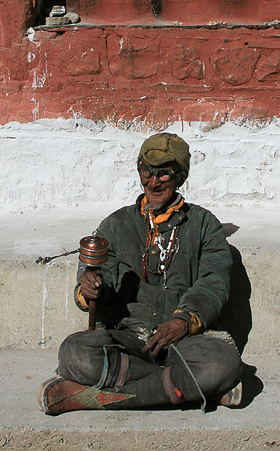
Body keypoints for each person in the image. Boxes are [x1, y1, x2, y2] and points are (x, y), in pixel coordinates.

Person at [39, 132, 242, 414]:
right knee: (74, 353)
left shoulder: (205, 225)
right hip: (128, 340)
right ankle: (189, 388)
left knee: (223, 362)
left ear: (181, 177)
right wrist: (91, 289)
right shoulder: (115, 224)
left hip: (181, 341)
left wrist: (183, 322)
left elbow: (214, 283)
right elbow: (99, 277)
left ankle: (93, 397)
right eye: (146, 171)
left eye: (164, 173)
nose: (153, 181)